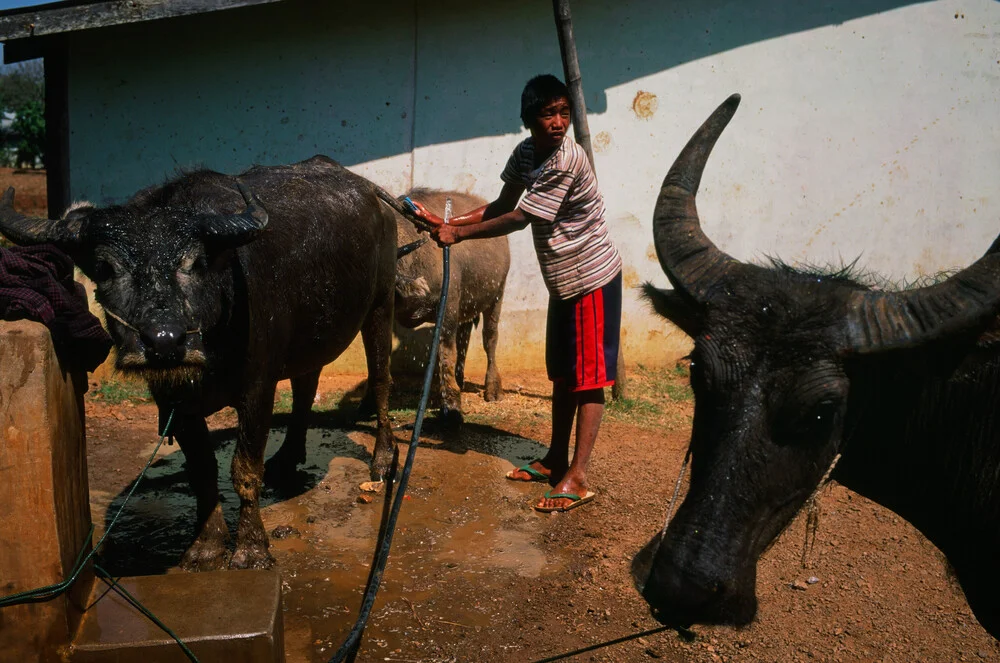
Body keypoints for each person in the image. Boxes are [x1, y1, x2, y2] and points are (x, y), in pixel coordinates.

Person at [410, 74, 622, 513]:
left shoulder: (566, 158)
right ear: (528, 120)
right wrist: (450, 224)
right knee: (563, 375)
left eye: (564, 113)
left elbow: (519, 219)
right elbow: (502, 204)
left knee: (589, 379)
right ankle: (555, 460)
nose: (559, 122)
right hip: (563, 281)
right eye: (549, 114)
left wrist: (457, 236)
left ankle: (578, 478)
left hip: (591, 277)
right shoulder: (526, 153)